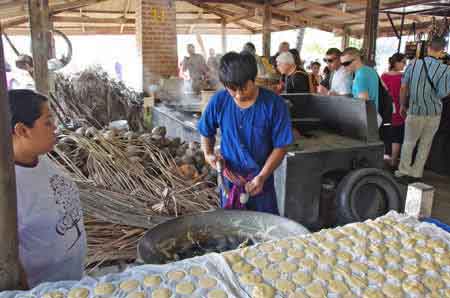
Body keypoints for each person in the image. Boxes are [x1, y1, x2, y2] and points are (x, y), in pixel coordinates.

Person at [198, 52, 293, 214]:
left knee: (265, 229)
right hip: (230, 180)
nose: (238, 95)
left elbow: (281, 146)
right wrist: (208, 154)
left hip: (260, 181)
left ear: (253, 79)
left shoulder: (274, 104)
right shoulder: (219, 100)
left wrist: (262, 176)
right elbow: (206, 131)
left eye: (243, 88)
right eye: (232, 90)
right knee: (231, 229)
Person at [8, 89, 87, 288]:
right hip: (44, 289)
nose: (55, 128)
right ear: (22, 130)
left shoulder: (41, 158)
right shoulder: (8, 188)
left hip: (72, 280)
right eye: (48, 122)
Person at [396, 37, 450, 180]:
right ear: (442, 51)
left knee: (408, 142)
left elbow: (403, 88)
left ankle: (403, 171)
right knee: (425, 144)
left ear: (428, 48)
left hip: (414, 111)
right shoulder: (445, 69)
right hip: (434, 113)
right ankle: (416, 173)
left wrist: (402, 105)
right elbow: (443, 93)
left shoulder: (413, 65)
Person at [381, 53, 407, 168]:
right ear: (396, 63)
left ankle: (385, 158)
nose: (405, 65)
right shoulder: (402, 77)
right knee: (397, 137)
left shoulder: (383, 76)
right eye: (403, 62)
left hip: (386, 110)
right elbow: (405, 93)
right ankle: (393, 161)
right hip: (399, 109)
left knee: (387, 134)